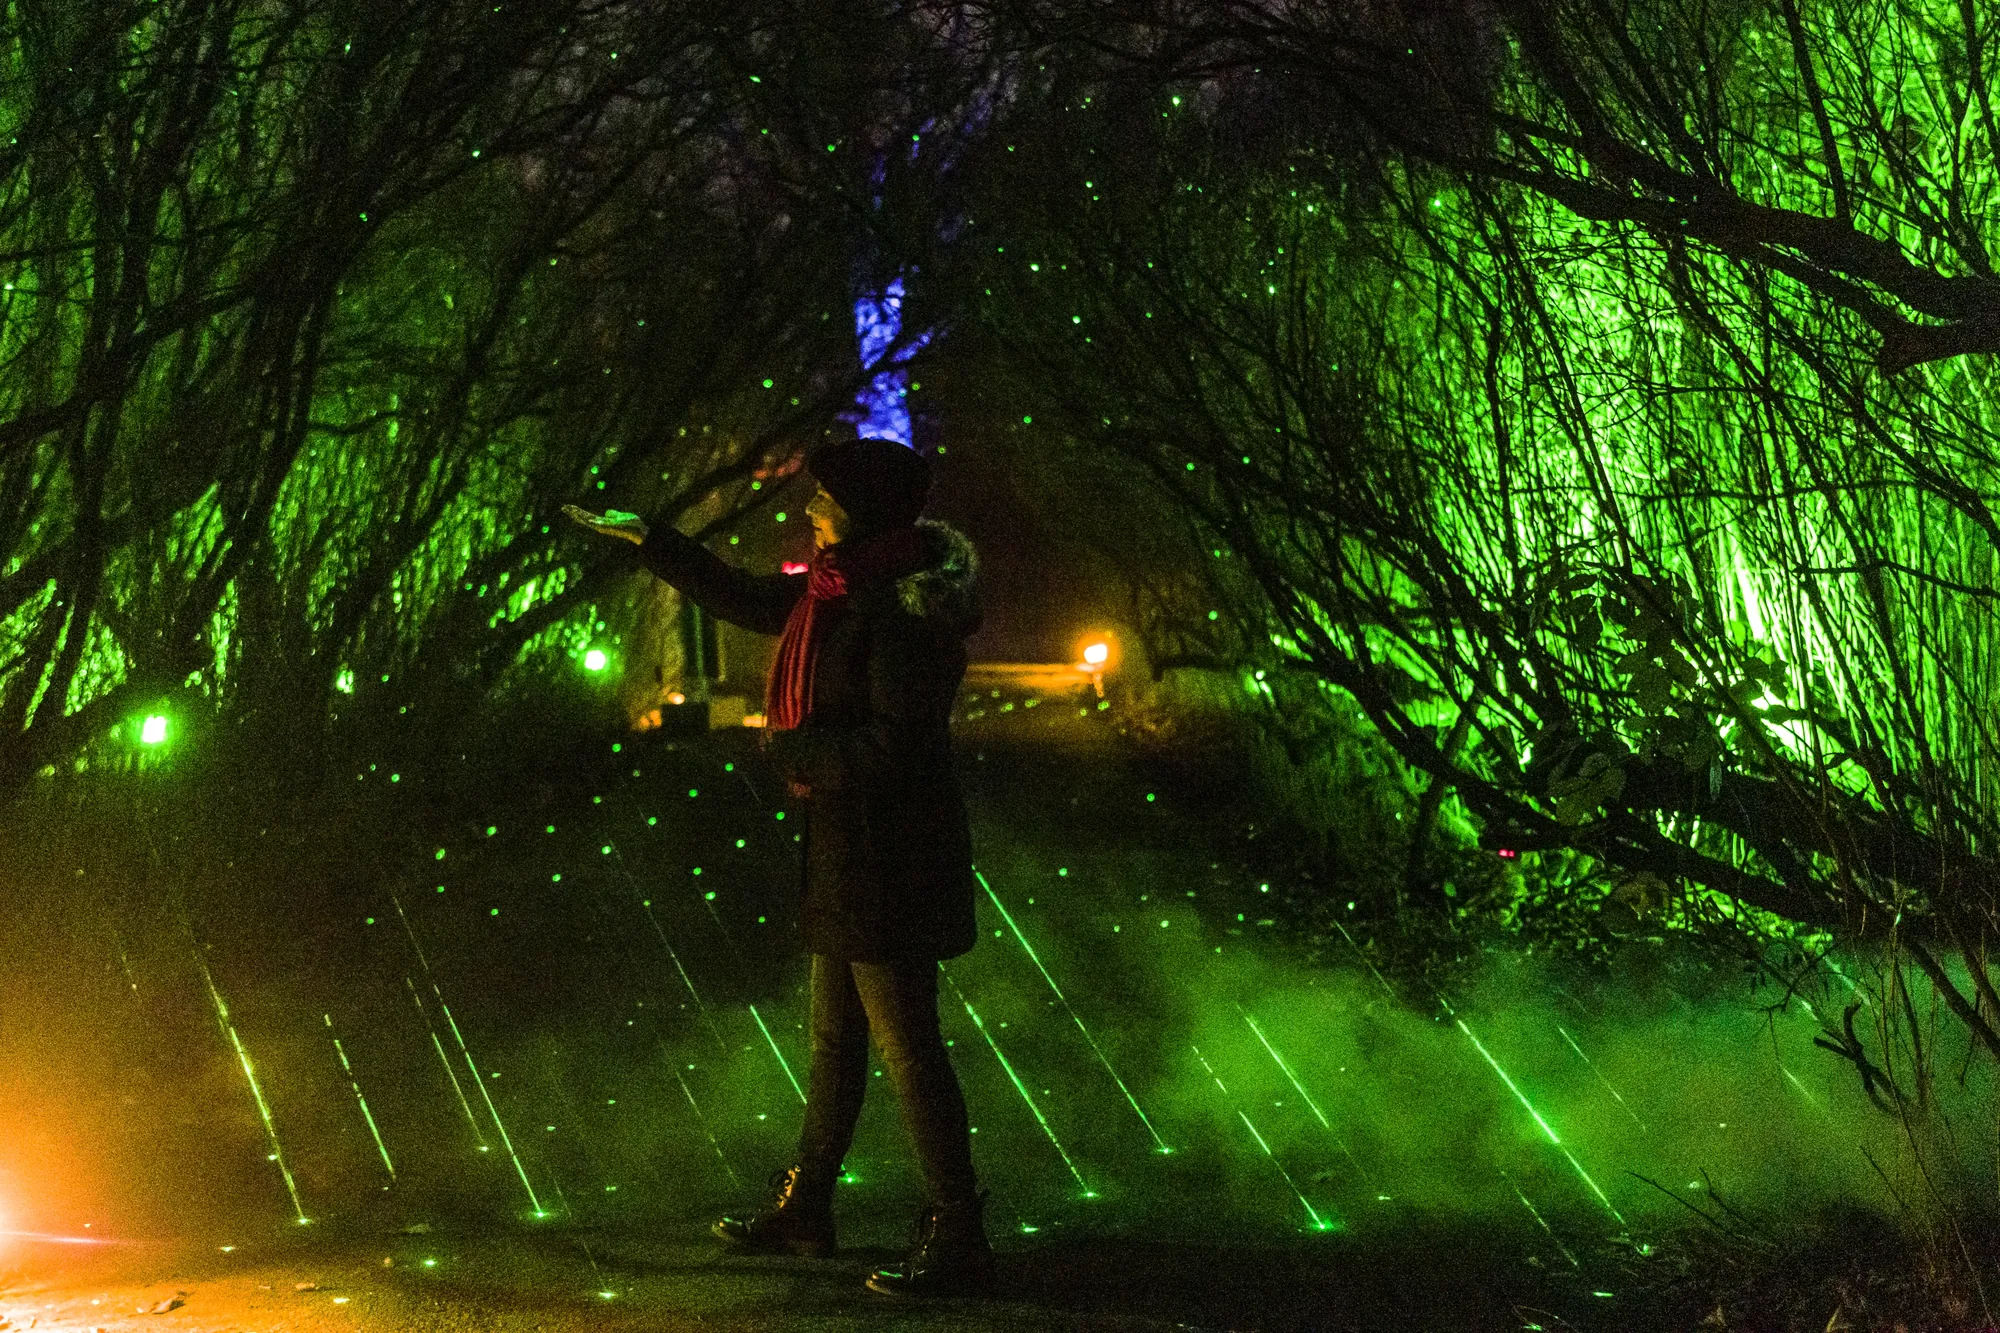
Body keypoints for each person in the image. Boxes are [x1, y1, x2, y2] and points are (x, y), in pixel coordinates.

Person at [564, 436, 992, 1298]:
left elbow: (897, 745)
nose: (809, 512)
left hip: (892, 857)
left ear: (860, 511)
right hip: (847, 852)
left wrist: (796, 746)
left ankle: (958, 1229)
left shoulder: (900, 610)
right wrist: (650, 537)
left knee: (909, 1047)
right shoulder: (834, 592)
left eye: (823, 500)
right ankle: (807, 1207)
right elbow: (749, 596)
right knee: (834, 1040)